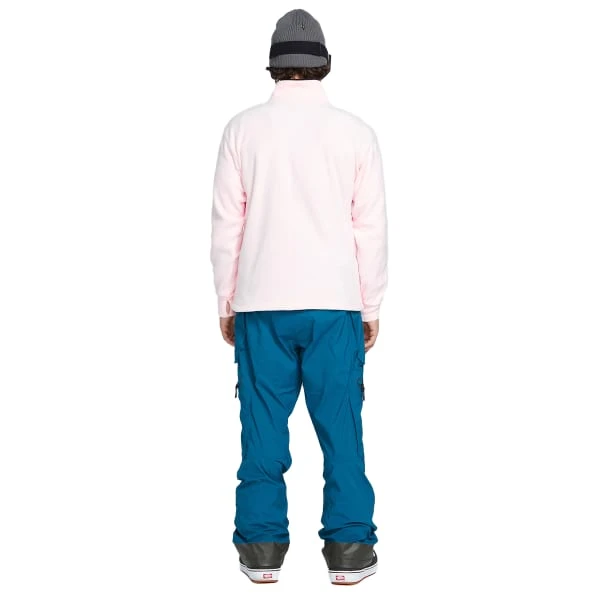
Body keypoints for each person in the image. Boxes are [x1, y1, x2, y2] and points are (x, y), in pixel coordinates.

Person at [210, 8, 388, 586]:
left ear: (271, 65)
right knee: (342, 431)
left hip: (261, 302)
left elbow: (227, 227)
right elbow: (369, 230)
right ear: (326, 64)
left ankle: (261, 549)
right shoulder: (356, 134)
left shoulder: (242, 130)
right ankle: (349, 551)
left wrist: (226, 301)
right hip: (334, 304)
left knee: (262, 430)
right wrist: (371, 306)